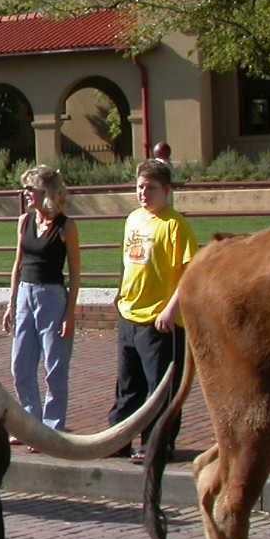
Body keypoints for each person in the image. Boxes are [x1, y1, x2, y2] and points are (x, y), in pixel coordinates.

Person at [111, 157, 197, 462]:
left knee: (160, 388)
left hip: (159, 322)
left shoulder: (175, 225)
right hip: (129, 315)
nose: (143, 193)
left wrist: (170, 310)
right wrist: (120, 293)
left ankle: (158, 443)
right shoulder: (133, 219)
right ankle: (118, 439)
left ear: (167, 190)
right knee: (128, 386)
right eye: (139, 187)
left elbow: (190, 275)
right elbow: (128, 263)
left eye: (151, 188)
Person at [1, 165, 80, 431]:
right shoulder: (24, 221)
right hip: (26, 293)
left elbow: (76, 273)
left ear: (45, 192)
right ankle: (30, 423)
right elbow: (17, 264)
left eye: (30, 188)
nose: (25, 193)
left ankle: (52, 427)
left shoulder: (66, 226)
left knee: (54, 366)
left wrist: (69, 314)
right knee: (20, 364)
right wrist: (11, 303)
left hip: (52, 297)